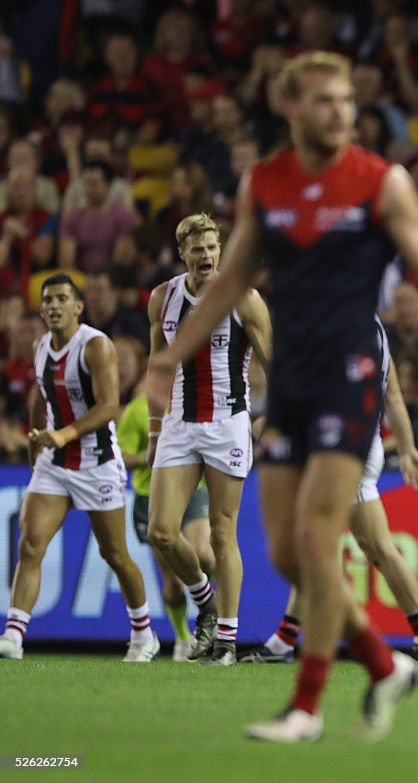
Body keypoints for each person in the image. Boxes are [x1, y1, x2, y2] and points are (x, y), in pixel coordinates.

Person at [146, 52, 418, 742]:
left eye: (345, 99)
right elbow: (231, 281)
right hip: (289, 382)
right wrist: (170, 354)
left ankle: (306, 703)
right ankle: (385, 663)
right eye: (323, 100)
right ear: (289, 106)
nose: (339, 111)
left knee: (321, 536)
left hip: (349, 376)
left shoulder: (381, 181)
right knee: (293, 553)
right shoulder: (262, 183)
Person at [242, 318, 418, 666]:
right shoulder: (373, 327)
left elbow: (324, 394)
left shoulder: (340, 325)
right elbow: (393, 395)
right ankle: (285, 641)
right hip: (356, 443)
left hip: (344, 446)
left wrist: (279, 423)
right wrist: (409, 448)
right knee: (321, 543)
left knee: (361, 546)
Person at [0, 273, 158, 662]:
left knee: (116, 555)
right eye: (48, 299)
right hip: (55, 462)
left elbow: (109, 406)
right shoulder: (40, 347)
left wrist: (65, 433)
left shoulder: (96, 346)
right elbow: (41, 393)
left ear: (78, 307)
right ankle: (14, 635)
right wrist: (38, 436)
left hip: (97, 462)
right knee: (31, 544)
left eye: (62, 299)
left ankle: (144, 633)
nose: (53, 305)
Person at [145, 213, 271, 666]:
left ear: (222, 250)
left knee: (222, 533)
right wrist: (156, 430)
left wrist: (269, 418)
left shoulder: (243, 299)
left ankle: (227, 643)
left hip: (227, 425)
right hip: (180, 423)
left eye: (212, 247)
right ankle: (207, 603)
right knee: (161, 532)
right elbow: (156, 367)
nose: (206, 256)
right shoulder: (163, 299)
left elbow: (274, 363)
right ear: (182, 253)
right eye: (196, 249)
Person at [117, 372, 214, 662]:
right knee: (172, 579)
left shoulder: (184, 405)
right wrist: (153, 453)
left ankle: (211, 612)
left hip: (191, 489)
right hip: (149, 495)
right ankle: (183, 637)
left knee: (205, 555)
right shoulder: (135, 411)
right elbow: (122, 455)